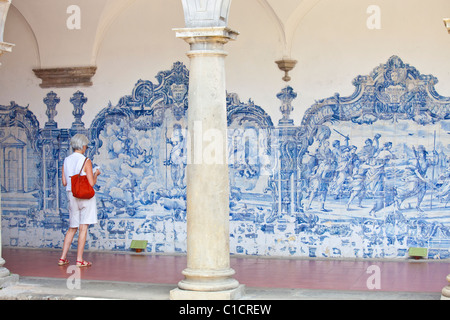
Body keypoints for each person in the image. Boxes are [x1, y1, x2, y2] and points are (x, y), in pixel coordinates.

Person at [58, 134, 100, 267]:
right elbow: (91, 183)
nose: (86, 148)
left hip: (72, 195)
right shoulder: (86, 160)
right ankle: (79, 259)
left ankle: (62, 258)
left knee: (72, 228)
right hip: (85, 197)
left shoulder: (66, 160)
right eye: (86, 146)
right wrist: (96, 174)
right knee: (83, 228)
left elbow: (65, 182)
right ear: (83, 146)